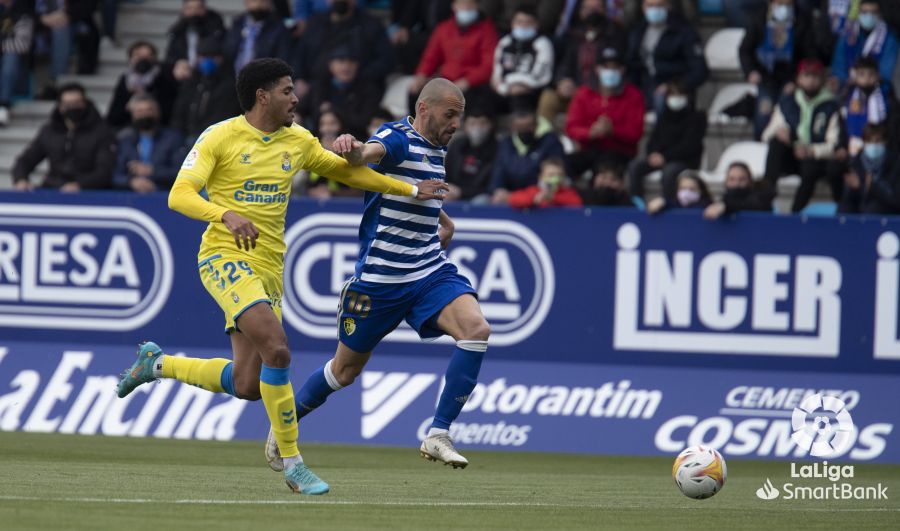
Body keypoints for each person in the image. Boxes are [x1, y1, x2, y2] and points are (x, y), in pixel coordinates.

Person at [113, 58, 449, 495]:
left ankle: (156, 364)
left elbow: (347, 172)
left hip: (270, 266)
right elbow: (179, 195)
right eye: (288, 90)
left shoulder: (299, 141)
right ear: (263, 95)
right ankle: (293, 463)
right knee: (278, 349)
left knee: (249, 384)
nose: (296, 97)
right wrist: (226, 214)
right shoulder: (220, 136)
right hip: (223, 256)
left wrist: (408, 189)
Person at [264, 78, 492, 472]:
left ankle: (438, 433)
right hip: (379, 282)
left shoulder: (437, 146)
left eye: (460, 116)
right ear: (424, 109)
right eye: (450, 115)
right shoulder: (396, 137)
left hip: (426, 270)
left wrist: (443, 217)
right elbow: (368, 156)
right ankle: (285, 422)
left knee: (476, 330)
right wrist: (353, 149)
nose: (456, 124)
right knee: (344, 371)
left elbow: (413, 189)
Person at [762, 58, 844, 212]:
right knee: (775, 145)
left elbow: (834, 143)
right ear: (798, 78)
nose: (811, 80)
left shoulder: (831, 106)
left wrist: (810, 150)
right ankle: (766, 197)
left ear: (822, 79)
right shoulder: (787, 102)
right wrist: (780, 131)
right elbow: (766, 135)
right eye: (806, 75)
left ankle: (796, 212)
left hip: (816, 158)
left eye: (815, 76)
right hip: (792, 154)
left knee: (810, 168)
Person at [739, 0, 826, 136]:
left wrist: (797, 80)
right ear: (770, 4)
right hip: (766, 77)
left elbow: (810, 54)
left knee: (789, 113)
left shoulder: (802, 20)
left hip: (791, 78)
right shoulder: (759, 18)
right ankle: (760, 145)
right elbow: (745, 50)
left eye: (787, 5)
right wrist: (750, 71)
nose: (783, 8)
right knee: (764, 112)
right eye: (779, 4)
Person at [12, 83, 116, 191]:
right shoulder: (50, 131)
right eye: (68, 104)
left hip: (89, 193)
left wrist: (80, 185)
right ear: (60, 107)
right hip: (53, 188)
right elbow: (26, 160)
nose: (72, 108)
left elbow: (105, 170)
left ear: (85, 103)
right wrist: (21, 179)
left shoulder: (102, 131)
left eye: (76, 103)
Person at [538, 0, 626, 122]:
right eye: (588, 9)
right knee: (549, 98)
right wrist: (563, 81)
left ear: (605, 10)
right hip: (576, 92)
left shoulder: (616, 35)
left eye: (597, 8)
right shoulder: (574, 35)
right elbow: (566, 64)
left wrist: (589, 90)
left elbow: (617, 68)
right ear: (580, 12)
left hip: (601, 93)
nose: (592, 12)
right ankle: (545, 138)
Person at [566, 46, 645, 175]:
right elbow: (572, 127)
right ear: (597, 69)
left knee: (604, 169)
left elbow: (635, 133)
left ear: (622, 70)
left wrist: (613, 131)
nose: (610, 72)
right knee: (565, 165)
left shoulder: (633, 95)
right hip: (589, 149)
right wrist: (590, 132)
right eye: (606, 67)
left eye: (615, 67)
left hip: (619, 152)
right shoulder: (583, 93)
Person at [292, 0, 393, 100]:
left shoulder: (371, 25)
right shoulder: (315, 22)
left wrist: (354, 75)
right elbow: (300, 55)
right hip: (315, 90)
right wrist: (299, 78)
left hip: (358, 92)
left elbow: (386, 61)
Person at [409, 0, 499, 111]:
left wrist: (468, 81)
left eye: (470, 5)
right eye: (462, 4)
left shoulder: (486, 30)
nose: (466, 8)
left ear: (477, 6)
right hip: (446, 79)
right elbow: (431, 57)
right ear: (454, 6)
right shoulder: (444, 28)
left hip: (472, 83)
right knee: (416, 92)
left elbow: (489, 64)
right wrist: (421, 75)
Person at [627, 79, 706, 201]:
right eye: (672, 94)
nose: (675, 98)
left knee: (669, 173)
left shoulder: (697, 118)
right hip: (661, 158)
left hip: (685, 161)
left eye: (679, 94)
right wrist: (652, 154)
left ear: (688, 97)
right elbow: (653, 140)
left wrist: (665, 157)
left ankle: (669, 205)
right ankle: (637, 202)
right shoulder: (664, 116)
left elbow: (689, 146)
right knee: (635, 166)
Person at [625, 0, 708, 109]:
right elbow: (632, 65)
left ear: (668, 6)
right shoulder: (638, 31)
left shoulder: (684, 32)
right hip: (644, 85)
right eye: (650, 6)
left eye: (659, 5)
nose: (654, 10)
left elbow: (699, 71)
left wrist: (674, 86)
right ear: (643, 8)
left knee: (661, 99)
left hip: (672, 89)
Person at [298, 45, 382, 139]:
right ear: (331, 65)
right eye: (341, 61)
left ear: (357, 66)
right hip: (318, 141)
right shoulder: (319, 87)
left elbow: (366, 121)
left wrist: (334, 110)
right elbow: (301, 108)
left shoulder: (368, 90)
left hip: (355, 140)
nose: (346, 67)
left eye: (351, 62)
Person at [171, 37, 242, 144]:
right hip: (187, 138)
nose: (207, 61)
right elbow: (179, 115)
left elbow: (223, 118)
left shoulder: (230, 87)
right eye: (203, 56)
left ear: (221, 59)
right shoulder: (191, 84)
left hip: (214, 140)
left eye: (213, 57)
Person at [490, 105, 567, 204]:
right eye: (520, 127)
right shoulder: (505, 144)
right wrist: (497, 190)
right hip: (509, 197)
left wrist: (540, 194)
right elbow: (498, 173)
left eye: (528, 126)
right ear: (513, 127)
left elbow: (557, 174)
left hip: (539, 197)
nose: (524, 131)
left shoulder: (549, 142)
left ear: (536, 125)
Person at [113, 95, 186, 193]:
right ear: (133, 115)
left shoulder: (173, 138)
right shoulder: (126, 141)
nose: (144, 115)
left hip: (164, 194)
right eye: (139, 111)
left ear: (157, 113)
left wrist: (152, 171)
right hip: (130, 196)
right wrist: (131, 182)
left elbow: (181, 172)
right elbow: (115, 175)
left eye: (149, 110)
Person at [490, 3, 555, 110]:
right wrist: (505, 88)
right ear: (512, 23)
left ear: (536, 24)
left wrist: (517, 85)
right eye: (519, 22)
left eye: (528, 22)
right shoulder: (505, 42)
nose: (523, 26)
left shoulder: (542, 43)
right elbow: (496, 73)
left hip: (530, 90)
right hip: (505, 89)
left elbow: (540, 76)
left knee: (520, 100)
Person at [831, 0, 899, 96]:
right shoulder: (847, 36)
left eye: (873, 12)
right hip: (847, 91)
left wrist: (867, 81)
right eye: (865, 12)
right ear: (858, 13)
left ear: (879, 14)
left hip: (879, 92)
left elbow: (887, 72)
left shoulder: (889, 39)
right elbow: (839, 67)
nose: (869, 16)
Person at [107, 41, 179, 129]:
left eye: (148, 56)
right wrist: (128, 107)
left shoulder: (165, 77)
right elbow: (113, 117)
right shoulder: (125, 80)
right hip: (129, 128)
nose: (143, 59)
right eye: (138, 55)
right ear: (131, 59)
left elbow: (171, 112)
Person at [839, 122, 900, 214]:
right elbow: (849, 198)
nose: (874, 145)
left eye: (878, 141)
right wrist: (857, 188)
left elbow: (895, 198)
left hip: (886, 211)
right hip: (862, 209)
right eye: (870, 141)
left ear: (885, 142)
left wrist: (871, 186)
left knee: (873, 209)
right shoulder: (857, 163)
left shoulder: (894, 164)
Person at [165, 0, 226, 82]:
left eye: (198, 8)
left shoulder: (216, 30)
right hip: (183, 77)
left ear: (204, 9)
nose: (194, 12)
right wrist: (178, 64)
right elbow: (170, 57)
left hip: (211, 75)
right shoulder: (178, 32)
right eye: (190, 8)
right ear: (184, 10)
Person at [444, 107, 497, 202]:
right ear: (465, 126)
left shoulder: (497, 149)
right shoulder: (457, 145)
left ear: (490, 125)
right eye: (472, 123)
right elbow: (445, 174)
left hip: (479, 196)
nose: (477, 127)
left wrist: (461, 192)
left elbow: (492, 187)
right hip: (453, 193)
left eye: (482, 123)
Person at [223, 0, 290, 74]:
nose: (258, 5)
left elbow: (281, 60)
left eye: (263, 2)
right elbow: (227, 52)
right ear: (247, 2)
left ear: (270, 3)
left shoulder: (279, 28)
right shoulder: (237, 24)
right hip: (232, 78)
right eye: (255, 1)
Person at [843, 56, 892, 157]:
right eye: (862, 74)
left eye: (871, 74)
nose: (866, 78)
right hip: (855, 146)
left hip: (879, 146)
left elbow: (891, 124)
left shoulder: (886, 96)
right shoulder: (850, 97)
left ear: (878, 75)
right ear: (855, 77)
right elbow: (845, 123)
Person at [0, 0, 33, 126]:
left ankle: (3, 106)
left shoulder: (22, 16)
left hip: (16, 74)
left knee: (11, 57)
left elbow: (22, 45)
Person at [703, 161, 775, 219]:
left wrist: (725, 207)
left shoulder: (761, 198)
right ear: (726, 182)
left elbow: (751, 205)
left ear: (750, 181)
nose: (736, 183)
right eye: (732, 179)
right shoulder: (724, 200)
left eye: (742, 179)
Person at [507, 157, 584, 208]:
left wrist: (553, 198)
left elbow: (577, 203)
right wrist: (534, 199)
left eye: (559, 175)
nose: (556, 178)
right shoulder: (535, 190)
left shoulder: (567, 192)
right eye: (551, 175)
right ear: (541, 176)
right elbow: (514, 199)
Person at [646, 171, 713, 213]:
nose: (686, 192)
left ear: (701, 190)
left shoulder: (708, 206)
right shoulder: (671, 203)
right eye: (683, 189)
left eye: (692, 189)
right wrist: (662, 202)